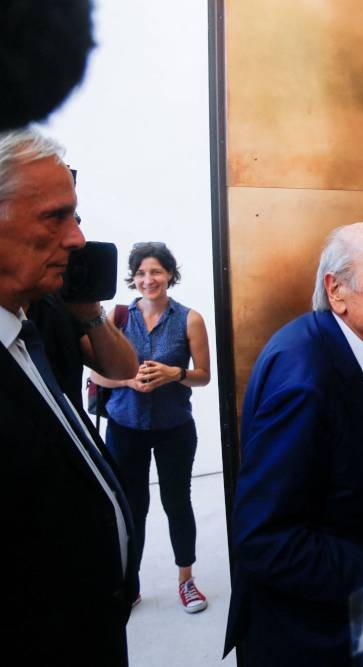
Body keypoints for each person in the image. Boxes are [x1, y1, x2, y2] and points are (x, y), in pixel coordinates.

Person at [224, 221, 363, 665]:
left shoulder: (357, 351)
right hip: (318, 637)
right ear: (337, 290)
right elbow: (267, 543)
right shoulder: (304, 381)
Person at [1, 127, 137, 664]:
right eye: (56, 217)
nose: (78, 239)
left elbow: (121, 368)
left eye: (76, 217)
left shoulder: (42, 315)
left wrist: (89, 312)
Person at [90, 242, 212, 612]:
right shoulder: (116, 318)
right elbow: (96, 375)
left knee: (177, 502)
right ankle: (131, 583)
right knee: (133, 508)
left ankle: (186, 580)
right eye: (141, 273)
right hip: (125, 427)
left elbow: (203, 376)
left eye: (156, 271)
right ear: (133, 277)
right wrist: (129, 380)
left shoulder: (190, 319)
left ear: (170, 274)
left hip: (175, 427)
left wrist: (174, 373)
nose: (149, 279)